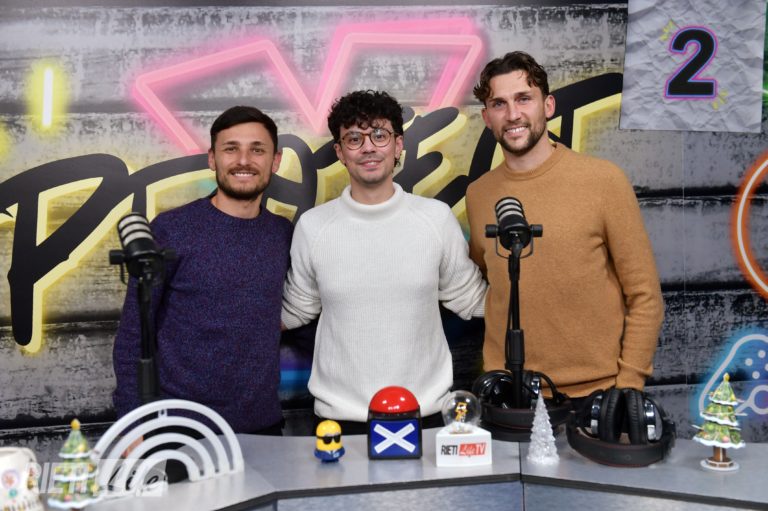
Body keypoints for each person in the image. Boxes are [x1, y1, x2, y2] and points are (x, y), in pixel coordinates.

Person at [281, 90, 487, 432]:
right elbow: (298, 307)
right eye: (354, 138)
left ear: (397, 145)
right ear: (340, 152)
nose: (368, 147)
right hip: (340, 420)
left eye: (379, 135)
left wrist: (544, 306)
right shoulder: (313, 226)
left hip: (425, 415)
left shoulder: (435, 219)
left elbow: (470, 299)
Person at [465, 52, 664, 400]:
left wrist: (629, 385)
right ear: (486, 118)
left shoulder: (603, 181)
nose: (512, 114)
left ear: (548, 106)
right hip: (508, 393)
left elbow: (645, 295)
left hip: (595, 393)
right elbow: (490, 279)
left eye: (524, 99)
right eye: (499, 104)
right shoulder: (479, 194)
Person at [113, 105, 292, 435]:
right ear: (212, 159)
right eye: (231, 149)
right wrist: (132, 424)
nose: (243, 160)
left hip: (262, 426)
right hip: (180, 430)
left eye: (257, 150)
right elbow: (134, 334)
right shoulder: (171, 229)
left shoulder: (283, 234)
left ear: (275, 160)